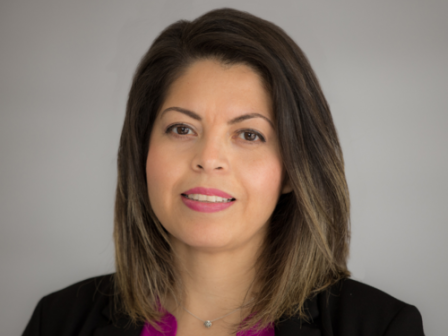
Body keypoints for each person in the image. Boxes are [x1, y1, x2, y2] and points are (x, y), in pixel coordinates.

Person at [22, 8, 424, 336]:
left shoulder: (382, 327)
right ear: (142, 153)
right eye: (182, 129)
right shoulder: (57, 321)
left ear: (292, 170)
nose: (209, 158)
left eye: (249, 134)